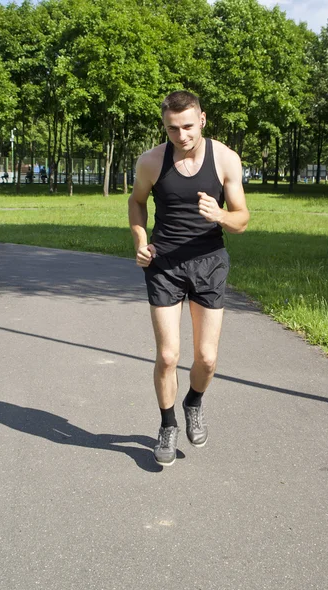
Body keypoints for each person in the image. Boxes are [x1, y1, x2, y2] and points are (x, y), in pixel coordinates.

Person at [128, 91, 249, 467]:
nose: (180, 136)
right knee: (168, 355)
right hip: (163, 264)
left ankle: (193, 402)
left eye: (187, 127)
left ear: (203, 120)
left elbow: (242, 218)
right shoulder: (151, 161)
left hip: (209, 262)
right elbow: (136, 201)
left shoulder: (225, 159)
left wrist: (220, 215)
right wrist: (141, 241)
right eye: (171, 128)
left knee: (207, 359)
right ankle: (167, 425)